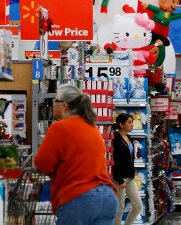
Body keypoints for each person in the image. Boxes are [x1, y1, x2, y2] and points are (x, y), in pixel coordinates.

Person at [34, 84, 118, 224]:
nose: (53, 105)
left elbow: (43, 164)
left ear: (64, 105)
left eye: (55, 101)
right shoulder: (92, 128)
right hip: (106, 198)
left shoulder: (59, 128)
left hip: (79, 199)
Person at [112, 113, 143, 225]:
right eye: (129, 122)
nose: (132, 125)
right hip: (118, 179)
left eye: (132, 122)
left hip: (129, 177)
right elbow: (114, 160)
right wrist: (119, 179)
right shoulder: (115, 138)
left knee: (138, 205)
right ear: (121, 124)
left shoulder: (128, 137)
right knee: (119, 209)